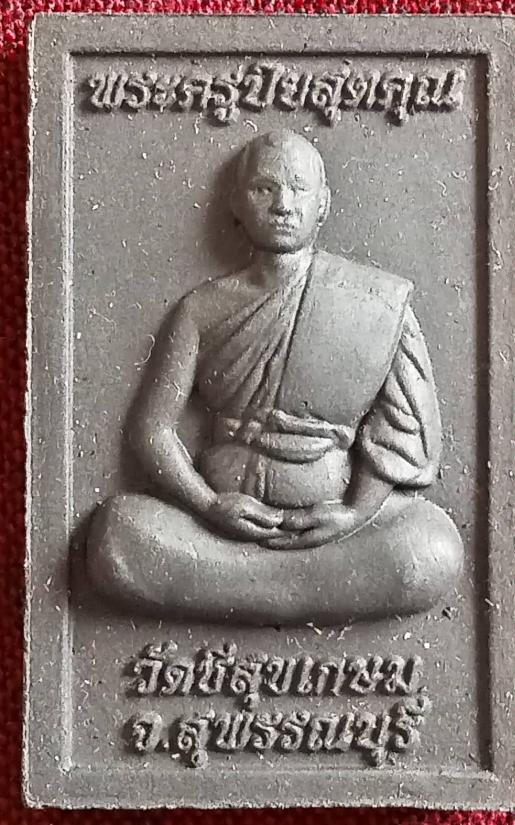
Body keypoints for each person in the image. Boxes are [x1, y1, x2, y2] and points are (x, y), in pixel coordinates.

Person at [87, 129, 463, 626]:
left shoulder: (376, 303)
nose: (283, 205)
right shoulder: (201, 310)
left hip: (333, 523)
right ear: (237, 204)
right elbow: (153, 429)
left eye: (298, 189)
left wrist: (355, 513)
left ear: (323, 203)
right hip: (218, 525)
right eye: (264, 189)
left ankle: (245, 589)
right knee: (117, 533)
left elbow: (402, 430)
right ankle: (297, 590)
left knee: (433, 546)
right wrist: (209, 504)